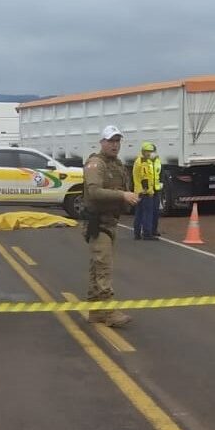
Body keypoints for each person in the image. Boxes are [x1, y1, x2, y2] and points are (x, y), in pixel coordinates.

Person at [83, 125, 139, 328]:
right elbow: (95, 192)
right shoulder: (95, 165)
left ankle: (96, 310)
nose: (115, 145)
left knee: (97, 267)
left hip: (111, 221)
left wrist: (128, 198)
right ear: (102, 143)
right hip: (98, 223)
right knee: (103, 267)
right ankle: (108, 310)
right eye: (111, 141)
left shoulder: (117, 165)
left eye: (117, 141)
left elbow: (123, 187)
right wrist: (122, 195)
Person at [132, 142, 156, 240]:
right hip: (144, 192)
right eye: (147, 152)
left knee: (139, 213)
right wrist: (147, 191)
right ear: (143, 151)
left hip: (139, 192)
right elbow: (144, 178)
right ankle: (147, 233)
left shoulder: (139, 160)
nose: (149, 153)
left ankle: (137, 233)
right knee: (147, 213)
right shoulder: (143, 162)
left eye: (150, 151)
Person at [150, 143, 163, 237]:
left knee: (155, 211)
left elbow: (160, 172)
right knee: (147, 211)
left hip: (156, 189)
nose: (152, 153)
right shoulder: (144, 161)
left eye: (153, 151)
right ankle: (147, 230)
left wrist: (161, 183)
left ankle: (154, 229)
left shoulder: (158, 160)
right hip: (147, 190)